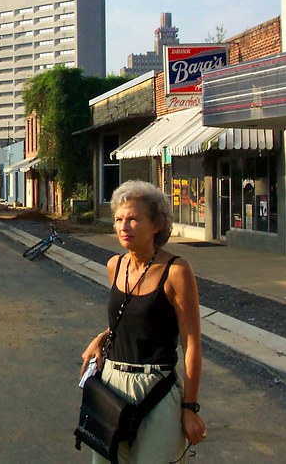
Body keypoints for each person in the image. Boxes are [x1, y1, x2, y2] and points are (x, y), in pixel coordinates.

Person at [80, 180, 207, 463]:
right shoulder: (115, 265)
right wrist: (102, 337)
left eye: (134, 218)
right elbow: (129, 319)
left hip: (156, 389)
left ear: (157, 224)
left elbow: (191, 343)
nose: (124, 226)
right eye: (119, 219)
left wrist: (190, 407)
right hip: (111, 384)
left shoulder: (177, 271)